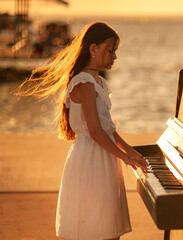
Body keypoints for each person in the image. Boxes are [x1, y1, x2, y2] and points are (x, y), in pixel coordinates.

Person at [14, 22, 148, 240]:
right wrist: (124, 157)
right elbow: (95, 131)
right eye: (110, 50)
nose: (114, 57)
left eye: (115, 52)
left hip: (104, 156)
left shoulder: (100, 82)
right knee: (96, 227)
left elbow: (109, 128)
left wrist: (132, 152)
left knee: (108, 227)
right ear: (93, 49)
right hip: (91, 160)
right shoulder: (84, 83)